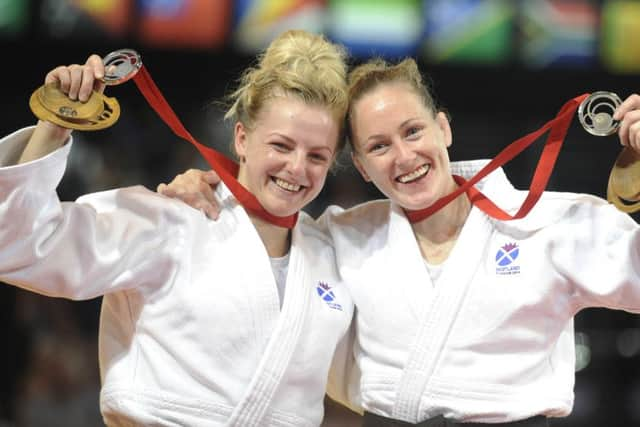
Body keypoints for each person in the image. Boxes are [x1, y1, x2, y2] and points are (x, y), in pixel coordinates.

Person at [158, 57, 640, 426]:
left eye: (412, 131)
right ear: (363, 168)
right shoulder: (341, 237)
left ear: (443, 128)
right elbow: (263, 228)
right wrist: (209, 191)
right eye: (379, 146)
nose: (404, 156)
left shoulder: (551, 223)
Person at [0, 29, 357, 427]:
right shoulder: (171, 219)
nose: (296, 168)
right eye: (281, 146)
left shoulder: (334, 255)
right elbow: (18, 244)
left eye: (317, 156)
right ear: (241, 138)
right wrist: (54, 124)